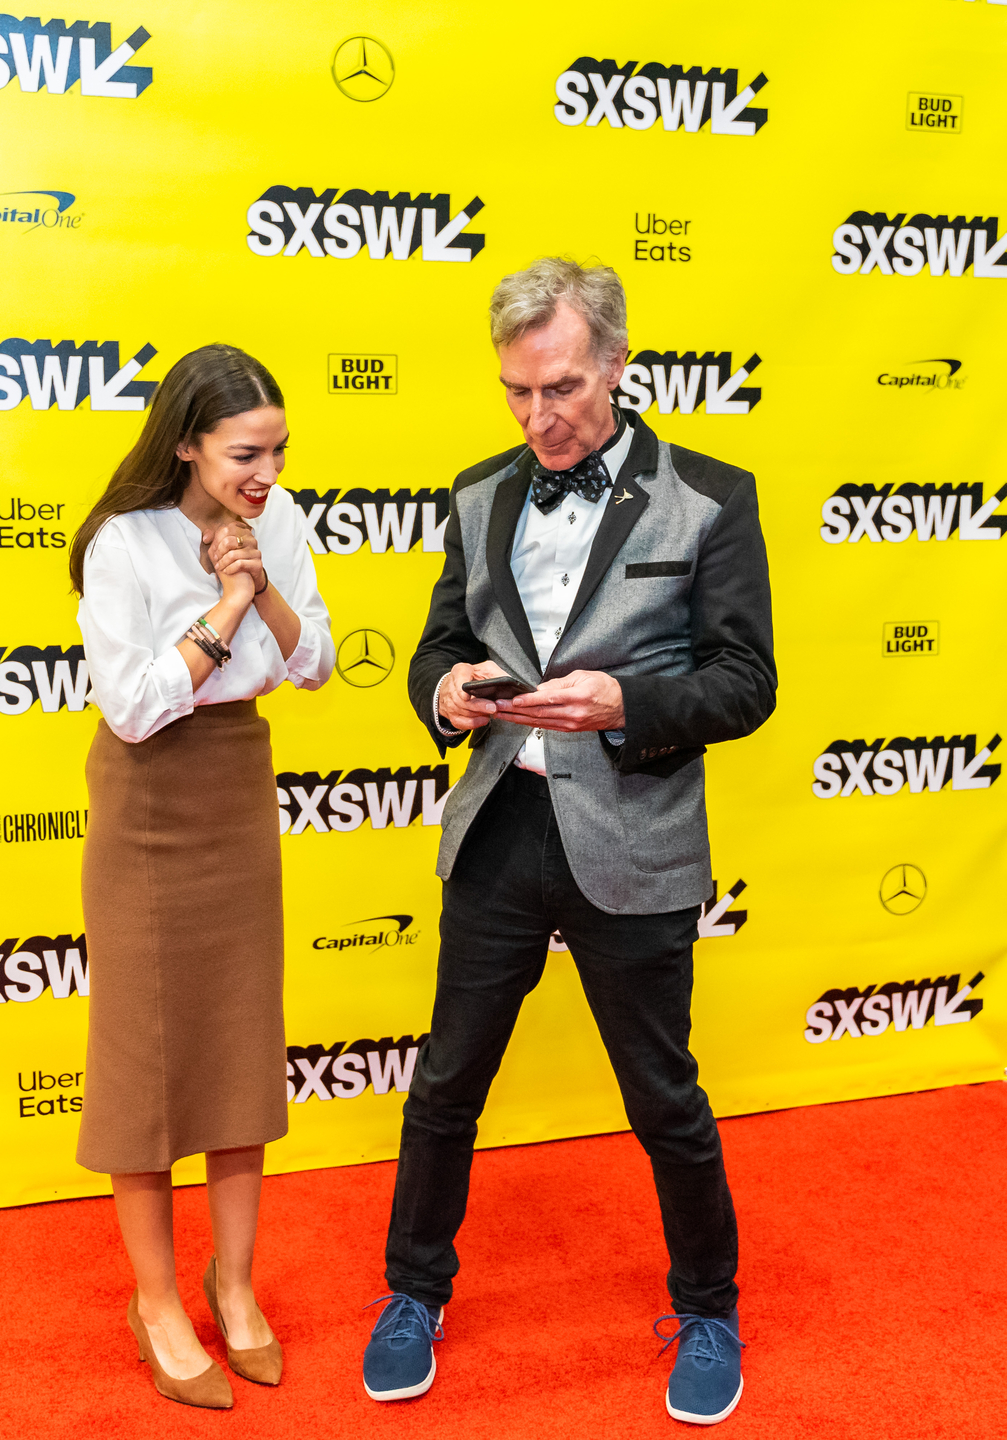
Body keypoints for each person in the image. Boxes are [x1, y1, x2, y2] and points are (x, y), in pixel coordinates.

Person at [361, 259, 776, 1426]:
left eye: (561, 388)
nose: (538, 418)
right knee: (444, 1087)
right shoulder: (481, 492)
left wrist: (625, 709)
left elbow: (747, 683)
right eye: (515, 392)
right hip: (500, 825)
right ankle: (413, 1292)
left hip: (632, 833)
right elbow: (438, 646)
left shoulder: (710, 495)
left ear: (618, 367)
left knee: (663, 1096)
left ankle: (708, 1306)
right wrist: (447, 698)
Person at [70, 344, 335, 1409]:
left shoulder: (286, 522)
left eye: (276, 451)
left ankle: (235, 1287)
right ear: (185, 444)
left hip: (234, 783)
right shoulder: (119, 545)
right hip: (146, 798)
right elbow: (132, 705)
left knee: (232, 1047)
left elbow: (313, 661)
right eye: (243, 454)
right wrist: (223, 608)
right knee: (145, 1064)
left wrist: (262, 583)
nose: (265, 473)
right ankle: (160, 1301)